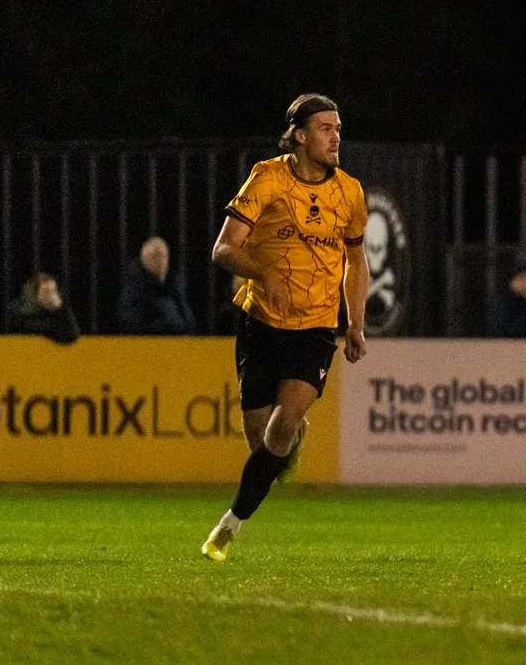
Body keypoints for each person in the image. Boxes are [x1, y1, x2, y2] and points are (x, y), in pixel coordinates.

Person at [200, 95, 369, 561]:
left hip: (316, 327)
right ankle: (284, 442)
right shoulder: (267, 178)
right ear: (299, 135)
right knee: (265, 447)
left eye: (338, 128)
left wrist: (356, 323)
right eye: (325, 128)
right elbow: (223, 249)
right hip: (262, 323)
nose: (336, 137)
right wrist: (263, 271)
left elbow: (356, 261)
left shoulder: (350, 192)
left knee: (283, 424)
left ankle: (227, 527)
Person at [113, 236, 194, 335]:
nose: (160, 261)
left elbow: (189, 322)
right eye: (154, 256)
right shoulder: (133, 289)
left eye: (163, 256)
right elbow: (129, 324)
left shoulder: (175, 286)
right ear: (144, 259)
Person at [10, 273, 80, 344]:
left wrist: (60, 307)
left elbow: (73, 336)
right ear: (35, 294)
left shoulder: (57, 312)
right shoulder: (23, 311)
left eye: (54, 291)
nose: (52, 296)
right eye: (46, 292)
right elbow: (40, 329)